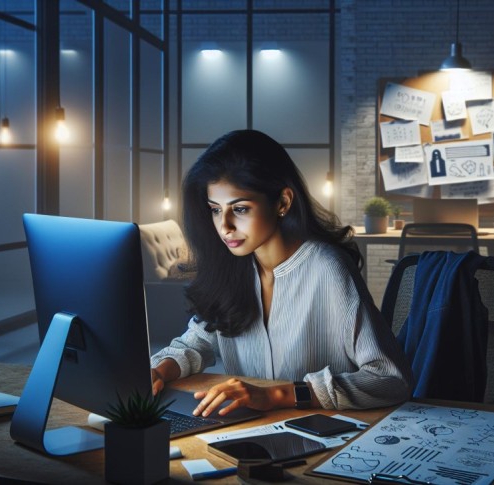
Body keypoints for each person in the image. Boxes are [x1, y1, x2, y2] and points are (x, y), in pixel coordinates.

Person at [150, 130, 412, 418]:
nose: (224, 226)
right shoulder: (230, 269)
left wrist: (277, 394)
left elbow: (390, 379)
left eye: (239, 209)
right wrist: (159, 370)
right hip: (248, 431)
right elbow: (196, 343)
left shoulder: (327, 267)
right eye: (215, 209)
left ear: (283, 203)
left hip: (330, 433)